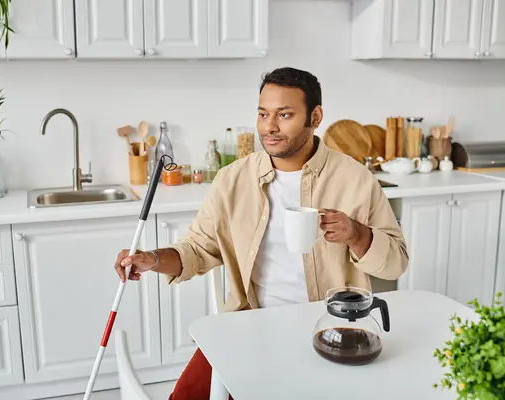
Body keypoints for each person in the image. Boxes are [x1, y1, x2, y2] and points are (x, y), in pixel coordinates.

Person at [114, 67, 409, 399]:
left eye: (284, 115)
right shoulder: (232, 179)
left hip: (330, 328)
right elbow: (197, 249)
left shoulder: (355, 179)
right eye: (263, 114)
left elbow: (396, 263)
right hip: (248, 326)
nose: (269, 126)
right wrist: (152, 259)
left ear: (315, 117)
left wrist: (356, 234)